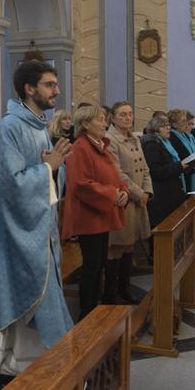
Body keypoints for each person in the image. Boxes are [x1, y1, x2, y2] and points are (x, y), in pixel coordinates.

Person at [0, 60, 74, 384]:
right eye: (50, 84)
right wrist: (48, 168)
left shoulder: (37, 124)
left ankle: (33, 359)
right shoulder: (11, 127)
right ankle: (23, 362)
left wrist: (55, 167)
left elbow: (49, 170)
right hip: (20, 228)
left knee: (46, 293)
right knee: (36, 293)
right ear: (29, 88)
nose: (57, 90)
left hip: (41, 225)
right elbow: (11, 185)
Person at [61, 104, 127, 319]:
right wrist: (112, 194)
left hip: (101, 213)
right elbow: (81, 184)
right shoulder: (80, 147)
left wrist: (123, 191)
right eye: (100, 119)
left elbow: (113, 173)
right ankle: (86, 314)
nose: (104, 123)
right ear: (86, 124)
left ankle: (94, 310)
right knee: (92, 266)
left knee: (99, 263)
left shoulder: (100, 145)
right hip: (89, 216)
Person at [105, 101, 153, 304]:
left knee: (130, 245)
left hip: (139, 200)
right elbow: (118, 173)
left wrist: (148, 192)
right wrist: (138, 193)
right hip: (124, 199)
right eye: (122, 114)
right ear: (113, 118)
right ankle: (110, 292)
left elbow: (145, 168)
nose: (127, 118)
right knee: (117, 246)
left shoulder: (135, 138)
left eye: (130, 114)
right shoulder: (110, 139)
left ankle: (125, 288)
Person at [141, 115, 187, 228]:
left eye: (168, 125)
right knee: (163, 227)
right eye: (164, 126)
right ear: (155, 129)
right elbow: (155, 171)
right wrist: (179, 166)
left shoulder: (165, 142)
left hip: (172, 191)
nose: (168, 128)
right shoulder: (152, 144)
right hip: (162, 195)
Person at [168, 109, 195, 192]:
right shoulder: (172, 137)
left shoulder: (184, 135)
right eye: (183, 121)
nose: (186, 123)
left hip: (190, 172)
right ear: (174, 124)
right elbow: (180, 156)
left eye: (186, 120)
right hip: (182, 174)